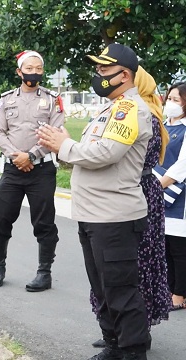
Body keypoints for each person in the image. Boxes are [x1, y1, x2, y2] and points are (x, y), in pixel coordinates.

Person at [38, 43, 152, 360]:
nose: (98, 75)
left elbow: (105, 154)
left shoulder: (130, 110)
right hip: (93, 215)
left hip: (114, 217)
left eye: (104, 69)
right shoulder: (108, 109)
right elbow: (85, 157)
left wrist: (64, 145)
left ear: (124, 74)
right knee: (102, 289)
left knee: (120, 290)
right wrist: (59, 147)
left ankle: (131, 351)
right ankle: (114, 344)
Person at [90, 66, 171, 349]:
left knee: (133, 268)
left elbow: (111, 154)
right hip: (142, 189)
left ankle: (135, 333)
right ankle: (121, 332)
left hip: (138, 192)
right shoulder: (123, 110)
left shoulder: (142, 114)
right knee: (125, 268)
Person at [0, 50, 64, 291]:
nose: (34, 73)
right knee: (0, 219)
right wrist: (17, 156)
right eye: (29, 69)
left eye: (38, 68)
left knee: (44, 223)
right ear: (19, 72)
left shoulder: (53, 100)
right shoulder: (6, 100)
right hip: (12, 170)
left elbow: (57, 133)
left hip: (41, 171)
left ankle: (44, 272)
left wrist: (31, 156)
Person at [158, 82, 186, 312]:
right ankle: (168, 290)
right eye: (170, 99)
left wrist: (158, 185)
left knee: (179, 249)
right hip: (159, 194)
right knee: (164, 247)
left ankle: (179, 295)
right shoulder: (162, 126)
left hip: (179, 197)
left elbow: (181, 166)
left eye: (177, 100)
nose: (172, 104)